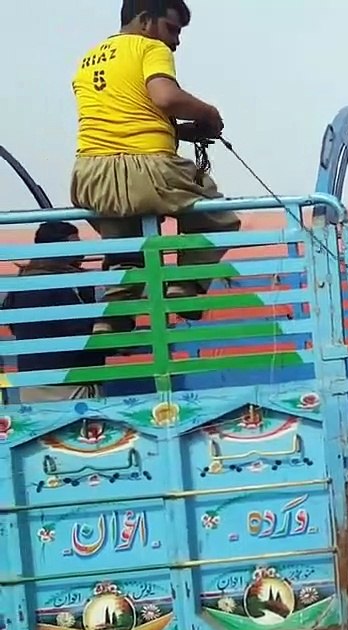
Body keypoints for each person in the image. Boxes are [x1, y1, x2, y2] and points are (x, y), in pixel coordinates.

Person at [71, 0, 240, 334]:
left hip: (92, 177)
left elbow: (131, 120)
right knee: (218, 216)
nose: (175, 41)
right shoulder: (150, 47)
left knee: (128, 255)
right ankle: (185, 286)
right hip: (148, 171)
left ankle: (113, 321)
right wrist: (208, 113)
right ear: (146, 21)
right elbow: (164, 97)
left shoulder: (86, 61)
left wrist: (186, 132)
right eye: (172, 29)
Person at [1, 222, 110, 402]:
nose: (81, 250)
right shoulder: (64, 283)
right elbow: (81, 333)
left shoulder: (22, 283)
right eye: (74, 243)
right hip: (69, 384)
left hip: (32, 383)